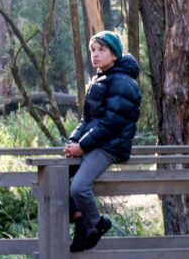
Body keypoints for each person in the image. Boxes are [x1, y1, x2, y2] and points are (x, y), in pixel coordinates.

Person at [62, 30, 141, 252]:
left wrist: (82, 146)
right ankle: (81, 223)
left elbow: (111, 124)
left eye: (101, 49)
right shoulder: (100, 79)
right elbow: (87, 119)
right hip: (94, 143)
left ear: (114, 55)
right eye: (93, 50)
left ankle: (98, 223)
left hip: (110, 146)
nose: (95, 54)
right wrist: (73, 142)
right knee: (60, 176)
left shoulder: (123, 83)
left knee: (78, 187)